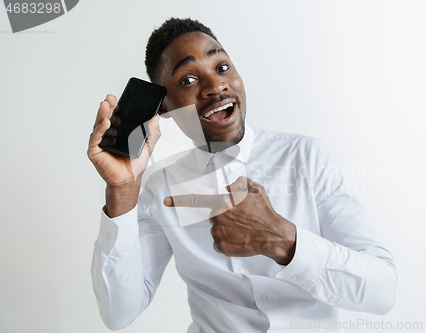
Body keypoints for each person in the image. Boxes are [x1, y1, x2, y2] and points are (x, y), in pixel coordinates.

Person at [88, 18, 397, 332]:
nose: (215, 86)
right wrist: (122, 190)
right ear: (163, 106)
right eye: (188, 79)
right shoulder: (161, 187)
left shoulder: (306, 157)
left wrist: (280, 239)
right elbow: (119, 314)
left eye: (221, 68)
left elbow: (383, 291)